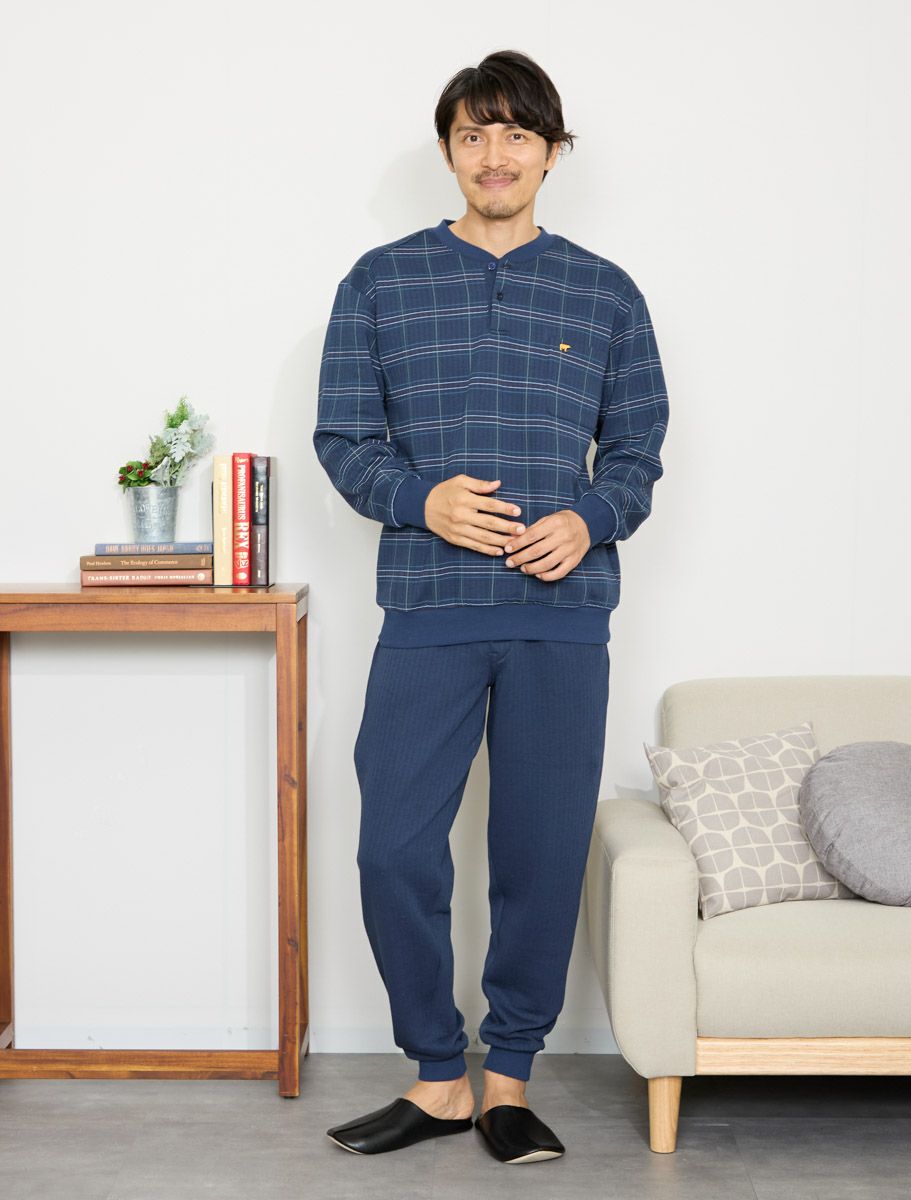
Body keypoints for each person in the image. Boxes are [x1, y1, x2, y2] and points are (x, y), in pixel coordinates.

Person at [313, 48, 669, 1165]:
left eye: (518, 134)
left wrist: (592, 518)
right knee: (393, 851)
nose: (496, 154)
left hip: (562, 617)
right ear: (449, 151)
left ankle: (508, 1079)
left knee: (540, 856)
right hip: (427, 610)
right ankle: (437, 1079)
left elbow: (639, 448)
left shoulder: (605, 292)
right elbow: (344, 439)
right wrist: (420, 498)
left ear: (552, 152)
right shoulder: (380, 281)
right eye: (475, 134)